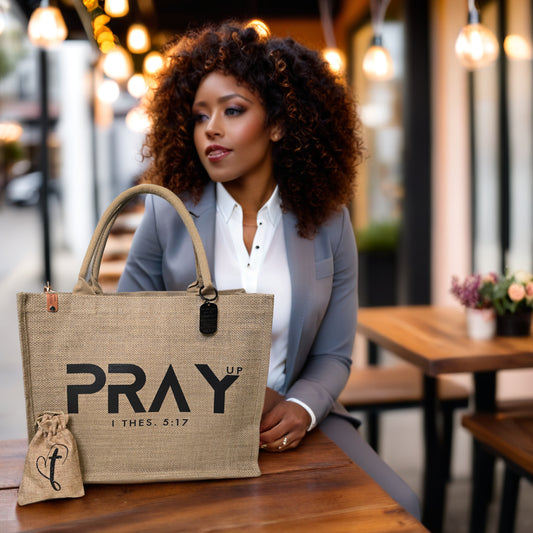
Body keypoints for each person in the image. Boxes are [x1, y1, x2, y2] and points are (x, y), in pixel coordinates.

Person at [117, 21, 420, 519]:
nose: (210, 128)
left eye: (232, 110)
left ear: (278, 123)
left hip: (298, 423)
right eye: (199, 116)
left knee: (402, 505)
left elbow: (334, 356)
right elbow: (127, 335)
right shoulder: (168, 215)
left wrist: (301, 408)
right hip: (183, 424)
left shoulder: (329, 223)